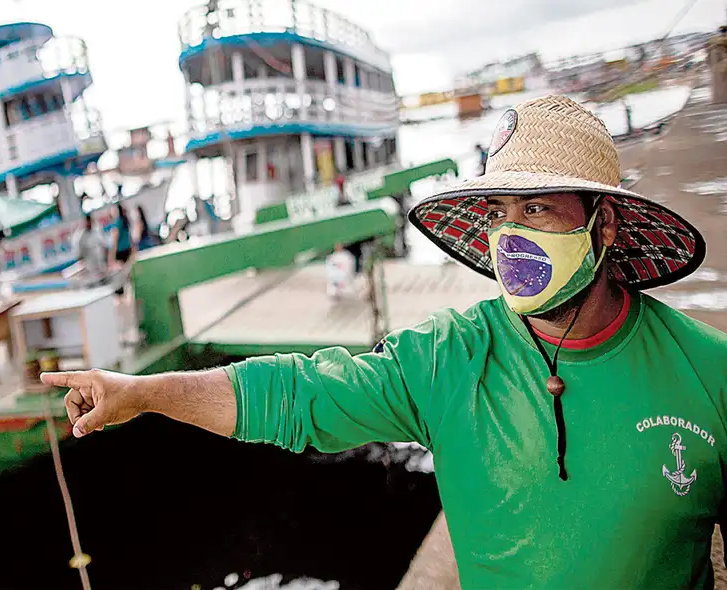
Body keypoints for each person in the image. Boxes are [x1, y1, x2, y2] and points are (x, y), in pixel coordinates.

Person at [42, 96, 727, 589]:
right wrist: (148, 394)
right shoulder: (449, 358)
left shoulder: (709, 371)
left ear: (604, 225)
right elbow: (299, 396)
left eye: (536, 208)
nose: (510, 235)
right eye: (498, 213)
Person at [75, 213, 108, 285]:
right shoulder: (81, 235)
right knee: (93, 275)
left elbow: (103, 242)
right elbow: (79, 248)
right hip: (89, 259)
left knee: (102, 272)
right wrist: (80, 259)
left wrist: (106, 252)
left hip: (99, 256)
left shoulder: (97, 229)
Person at [109, 203, 135, 268]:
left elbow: (115, 240)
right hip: (128, 249)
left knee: (122, 272)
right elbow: (129, 237)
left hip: (121, 252)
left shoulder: (117, 223)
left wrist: (111, 256)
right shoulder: (124, 221)